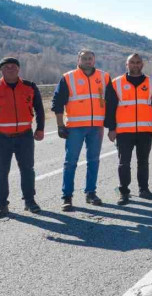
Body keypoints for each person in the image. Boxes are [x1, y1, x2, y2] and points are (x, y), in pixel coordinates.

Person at [0, 57, 45, 218]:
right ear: (1, 70)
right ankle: (1, 205)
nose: (10, 69)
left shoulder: (30, 87)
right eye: (6, 67)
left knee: (27, 169)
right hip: (1, 138)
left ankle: (30, 201)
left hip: (25, 136)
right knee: (0, 172)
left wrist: (40, 128)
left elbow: (39, 109)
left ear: (18, 69)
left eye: (13, 66)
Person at [52, 49, 110, 211]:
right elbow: (57, 102)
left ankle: (90, 193)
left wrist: (111, 124)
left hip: (96, 127)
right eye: (84, 58)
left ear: (94, 60)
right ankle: (67, 197)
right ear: (78, 60)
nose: (88, 61)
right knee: (70, 162)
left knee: (94, 160)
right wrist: (60, 125)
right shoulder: (68, 77)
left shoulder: (104, 77)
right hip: (75, 128)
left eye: (90, 58)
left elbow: (111, 101)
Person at [104, 54, 152, 205]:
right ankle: (124, 192)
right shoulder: (116, 83)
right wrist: (111, 128)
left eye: (138, 62)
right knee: (124, 163)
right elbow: (109, 108)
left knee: (143, 162)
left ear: (142, 65)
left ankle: (144, 190)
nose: (135, 65)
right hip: (123, 131)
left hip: (145, 130)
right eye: (132, 62)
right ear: (126, 64)